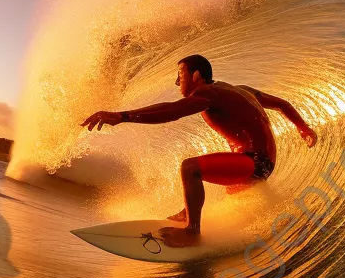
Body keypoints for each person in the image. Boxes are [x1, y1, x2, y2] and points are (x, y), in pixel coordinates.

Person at [80, 54, 317, 247]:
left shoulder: (208, 94)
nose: (177, 82)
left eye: (180, 75)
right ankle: (190, 215)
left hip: (252, 162)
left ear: (195, 75)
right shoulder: (241, 89)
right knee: (220, 193)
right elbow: (282, 104)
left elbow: (172, 111)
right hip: (257, 163)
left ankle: (193, 232)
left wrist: (122, 116)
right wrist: (303, 128)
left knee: (190, 167)